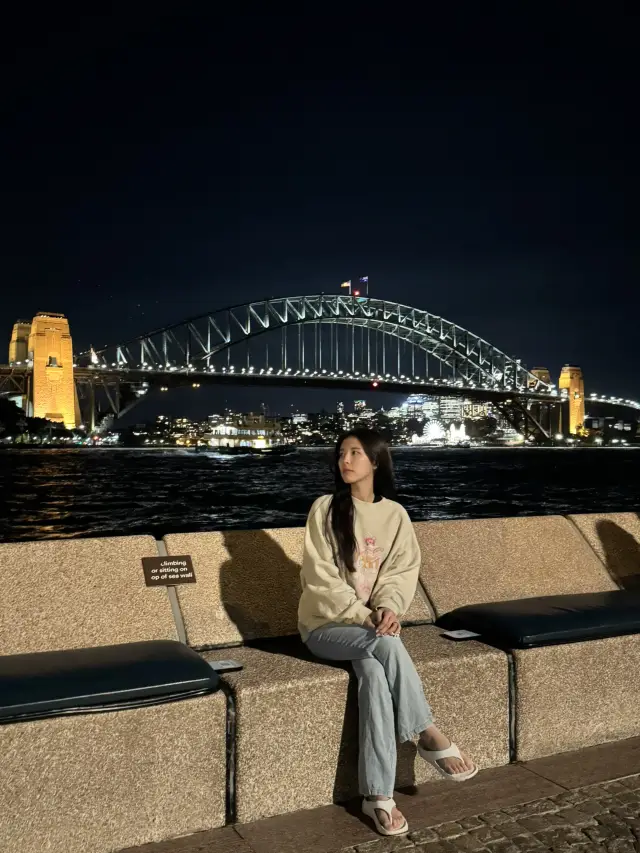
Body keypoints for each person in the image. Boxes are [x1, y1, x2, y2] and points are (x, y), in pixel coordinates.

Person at [298, 428, 477, 837]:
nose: (345, 460)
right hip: (325, 626)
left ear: (376, 462)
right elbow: (319, 578)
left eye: (355, 453)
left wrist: (388, 608)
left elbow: (401, 571)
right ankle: (427, 732)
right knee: (386, 640)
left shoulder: (395, 514)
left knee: (375, 676)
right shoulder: (325, 508)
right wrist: (365, 617)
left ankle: (378, 796)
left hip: (370, 629)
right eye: (341, 453)